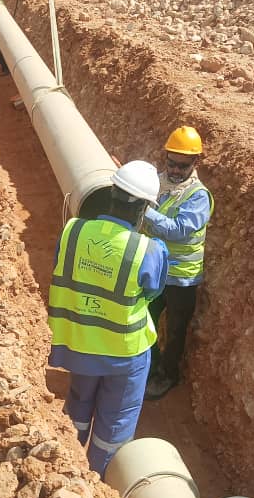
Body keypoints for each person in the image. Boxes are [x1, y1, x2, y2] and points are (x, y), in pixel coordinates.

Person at [47, 161, 169, 475]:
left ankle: (68, 470)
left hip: (79, 344)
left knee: (78, 407)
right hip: (125, 354)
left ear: (112, 192)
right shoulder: (148, 250)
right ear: (144, 208)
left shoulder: (72, 230)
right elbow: (153, 292)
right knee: (115, 421)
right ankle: (100, 479)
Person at [142, 126, 213, 401]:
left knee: (174, 329)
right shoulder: (158, 182)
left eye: (182, 165)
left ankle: (168, 374)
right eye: (171, 162)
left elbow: (180, 230)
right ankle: (147, 366)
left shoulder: (197, 196)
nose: (175, 169)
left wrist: (146, 212)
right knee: (144, 319)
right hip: (154, 269)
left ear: (195, 163)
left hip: (181, 278)